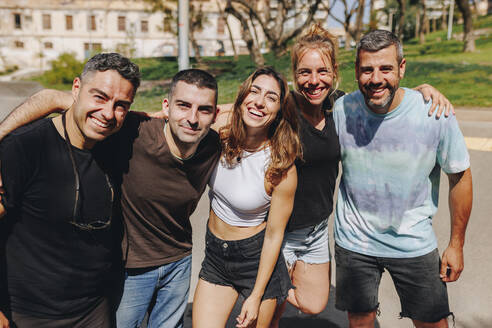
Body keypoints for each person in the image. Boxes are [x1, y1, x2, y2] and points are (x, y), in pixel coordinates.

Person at [0, 68, 221, 328]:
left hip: (173, 264)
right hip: (129, 269)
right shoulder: (131, 130)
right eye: (183, 105)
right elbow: (49, 97)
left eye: (204, 110)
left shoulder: (213, 142)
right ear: (167, 106)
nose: (192, 118)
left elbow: (255, 114)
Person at [270, 23, 455, 326]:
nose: (314, 81)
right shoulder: (283, 108)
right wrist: (192, 112)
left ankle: (267, 287)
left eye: (322, 72)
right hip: (280, 228)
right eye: (304, 72)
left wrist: (422, 92)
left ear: (336, 74)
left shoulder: (337, 106)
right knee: (268, 312)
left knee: (313, 303)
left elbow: (386, 88)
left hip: (315, 231)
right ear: (293, 73)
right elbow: (244, 107)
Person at [332, 29, 472, 327]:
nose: (376, 78)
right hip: (355, 242)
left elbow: (459, 177)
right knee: (360, 321)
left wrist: (456, 245)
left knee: (433, 323)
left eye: (386, 68)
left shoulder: (434, 113)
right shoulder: (342, 109)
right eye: (367, 69)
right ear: (356, 71)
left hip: (413, 242)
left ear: (402, 68)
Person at [0, 53, 140, 328]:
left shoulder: (116, 139)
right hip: (28, 315)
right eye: (99, 97)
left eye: (121, 105)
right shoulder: (25, 147)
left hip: (94, 310)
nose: (108, 114)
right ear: (76, 89)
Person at [192, 67, 302, 328]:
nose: (260, 102)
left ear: (278, 112)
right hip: (216, 256)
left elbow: (275, 235)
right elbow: (179, 116)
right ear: (242, 98)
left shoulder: (280, 166)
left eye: (271, 98)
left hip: (255, 260)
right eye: (255, 91)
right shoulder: (221, 135)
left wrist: (256, 295)